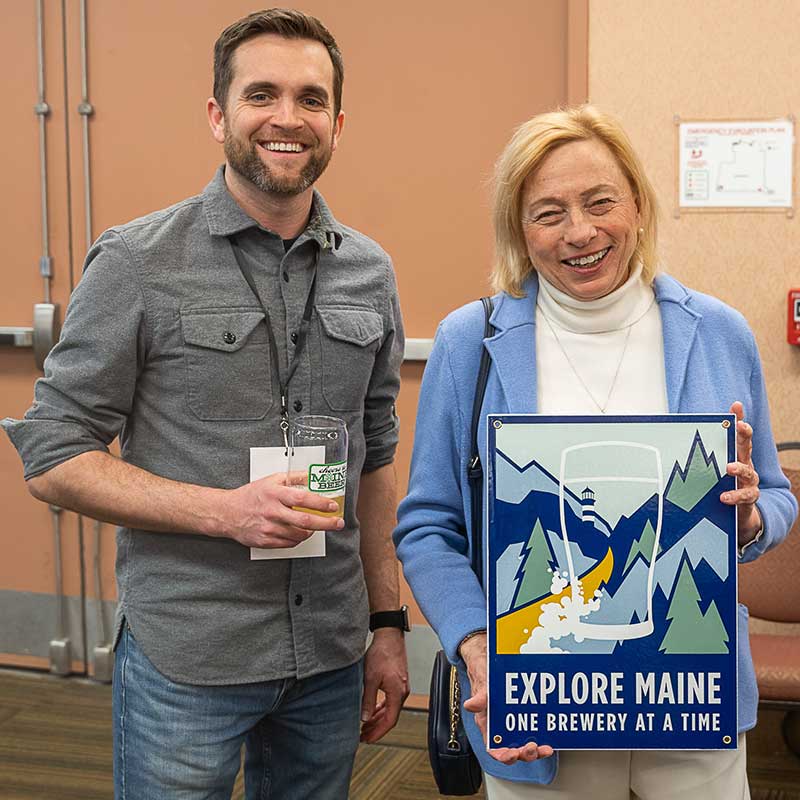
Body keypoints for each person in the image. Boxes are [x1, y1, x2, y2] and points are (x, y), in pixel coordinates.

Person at [2, 9, 409, 800]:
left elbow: (377, 458)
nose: (288, 118)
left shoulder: (370, 271)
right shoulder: (137, 261)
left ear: (337, 122)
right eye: (262, 94)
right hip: (191, 653)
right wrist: (227, 512)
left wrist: (387, 627)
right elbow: (53, 454)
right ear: (218, 114)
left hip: (329, 653)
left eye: (311, 99)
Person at [393, 105, 797, 799]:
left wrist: (752, 519)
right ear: (519, 230)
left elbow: (777, 497)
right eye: (547, 212)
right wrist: (474, 645)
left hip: (689, 698)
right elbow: (428, 527)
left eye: (599, 201)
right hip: (540, 713)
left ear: (637, 205)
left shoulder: (719, 331)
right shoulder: (472, 341)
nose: (579, 231)